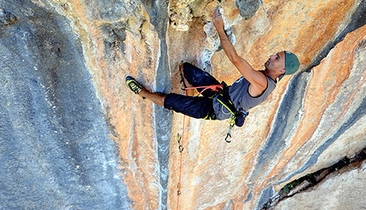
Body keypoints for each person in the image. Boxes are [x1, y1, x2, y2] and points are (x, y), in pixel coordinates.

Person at [126, 7, 300, 128]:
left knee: (170, 100)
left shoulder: (262, 82)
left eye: (277, 58)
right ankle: (190, 92)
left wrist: (220, 28)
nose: (271, 56)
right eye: (275, 54)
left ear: (281, 70)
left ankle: (142, 93)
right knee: (186, 69)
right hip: (220, 94)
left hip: (214, 109)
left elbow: (235, 59)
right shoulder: (265, 78)